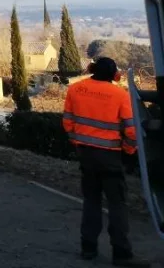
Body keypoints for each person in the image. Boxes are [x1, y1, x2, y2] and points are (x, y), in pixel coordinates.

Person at [63, 57, 148, 266]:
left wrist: (78, 143)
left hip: (85, 155)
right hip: (110, 156)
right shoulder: (120, 94)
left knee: (91, 201)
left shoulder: (76, 89)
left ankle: (88, 248)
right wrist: (128, 151)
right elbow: (131, 130)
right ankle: (121, 253)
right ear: (113, 75)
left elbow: (68, 122)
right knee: (117, 204)